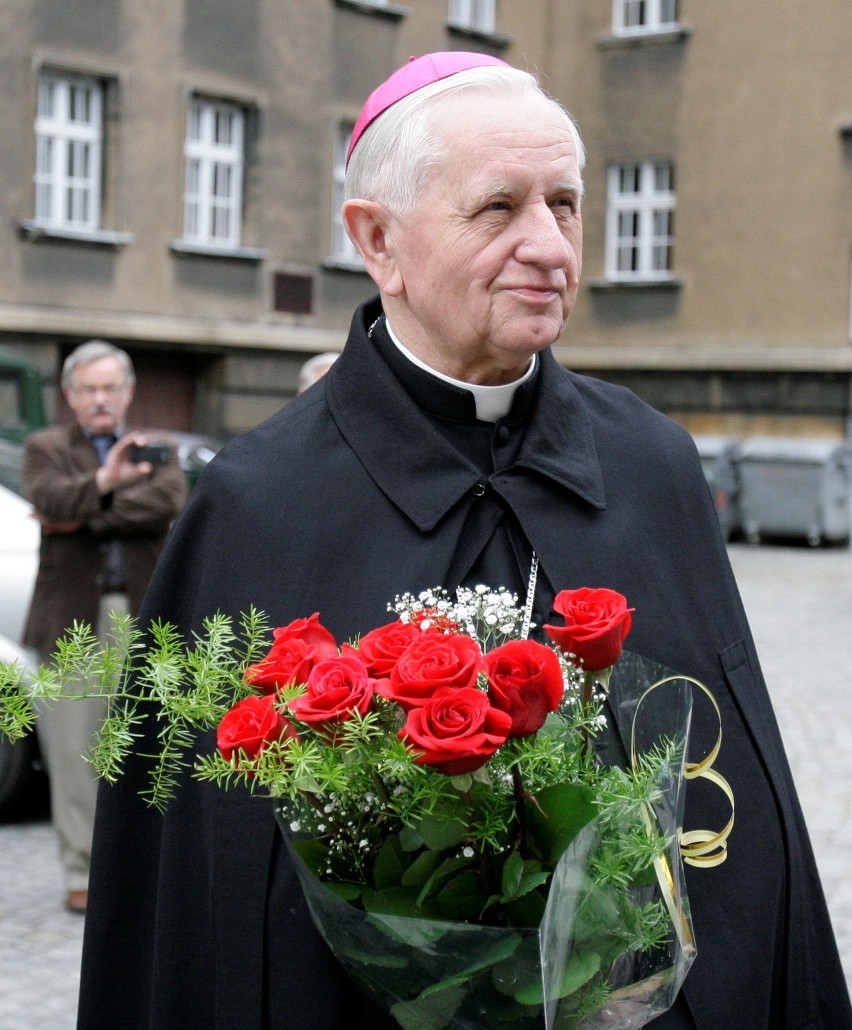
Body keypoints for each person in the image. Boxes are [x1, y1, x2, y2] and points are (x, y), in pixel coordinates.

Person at [78, 54, 851, 1029]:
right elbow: (198, 887)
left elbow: (746, 834)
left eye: (565, 204)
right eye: (499, 208)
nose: (550, 246)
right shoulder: (256, 502)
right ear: (380, 242)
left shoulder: (652, 464)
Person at [21, 340, 187, 914]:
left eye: (109, 388)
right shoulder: (45, 447)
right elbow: (45, 495)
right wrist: (108, 481)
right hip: (70, 619)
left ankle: (146, 866)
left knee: (149, 746)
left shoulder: (157, 450)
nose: (99, 399)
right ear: (69, 395)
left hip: (142, 614)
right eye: (88, 389)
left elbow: (167, 502)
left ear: (128, 392)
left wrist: (80, 512)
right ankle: (83, 872)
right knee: (74, 753)